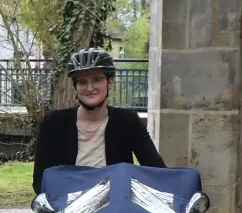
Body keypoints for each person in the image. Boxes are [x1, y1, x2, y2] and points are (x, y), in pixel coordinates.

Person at [30, 48, 164, 195]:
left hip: (115, 205)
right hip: (67, 205)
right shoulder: (54, 122)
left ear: (110, 82)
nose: (89, 88)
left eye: (97, 80)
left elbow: (156, 169)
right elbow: (41, 179)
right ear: (76, 86)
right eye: (82, 82)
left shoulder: (127, 121)